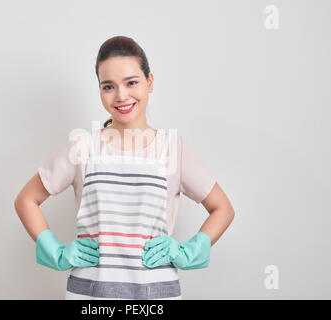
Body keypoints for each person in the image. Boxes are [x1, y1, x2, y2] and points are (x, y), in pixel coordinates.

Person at [14, 36, 235, 300]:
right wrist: (58, 253)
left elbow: (223, 208)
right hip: (92, 297)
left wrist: (187, 252)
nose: (121, 96)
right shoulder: (82, 147)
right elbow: (27, 200)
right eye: (108, 86)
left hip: (157, 297)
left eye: (131, 82)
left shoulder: (173, 149)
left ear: (149, 82)